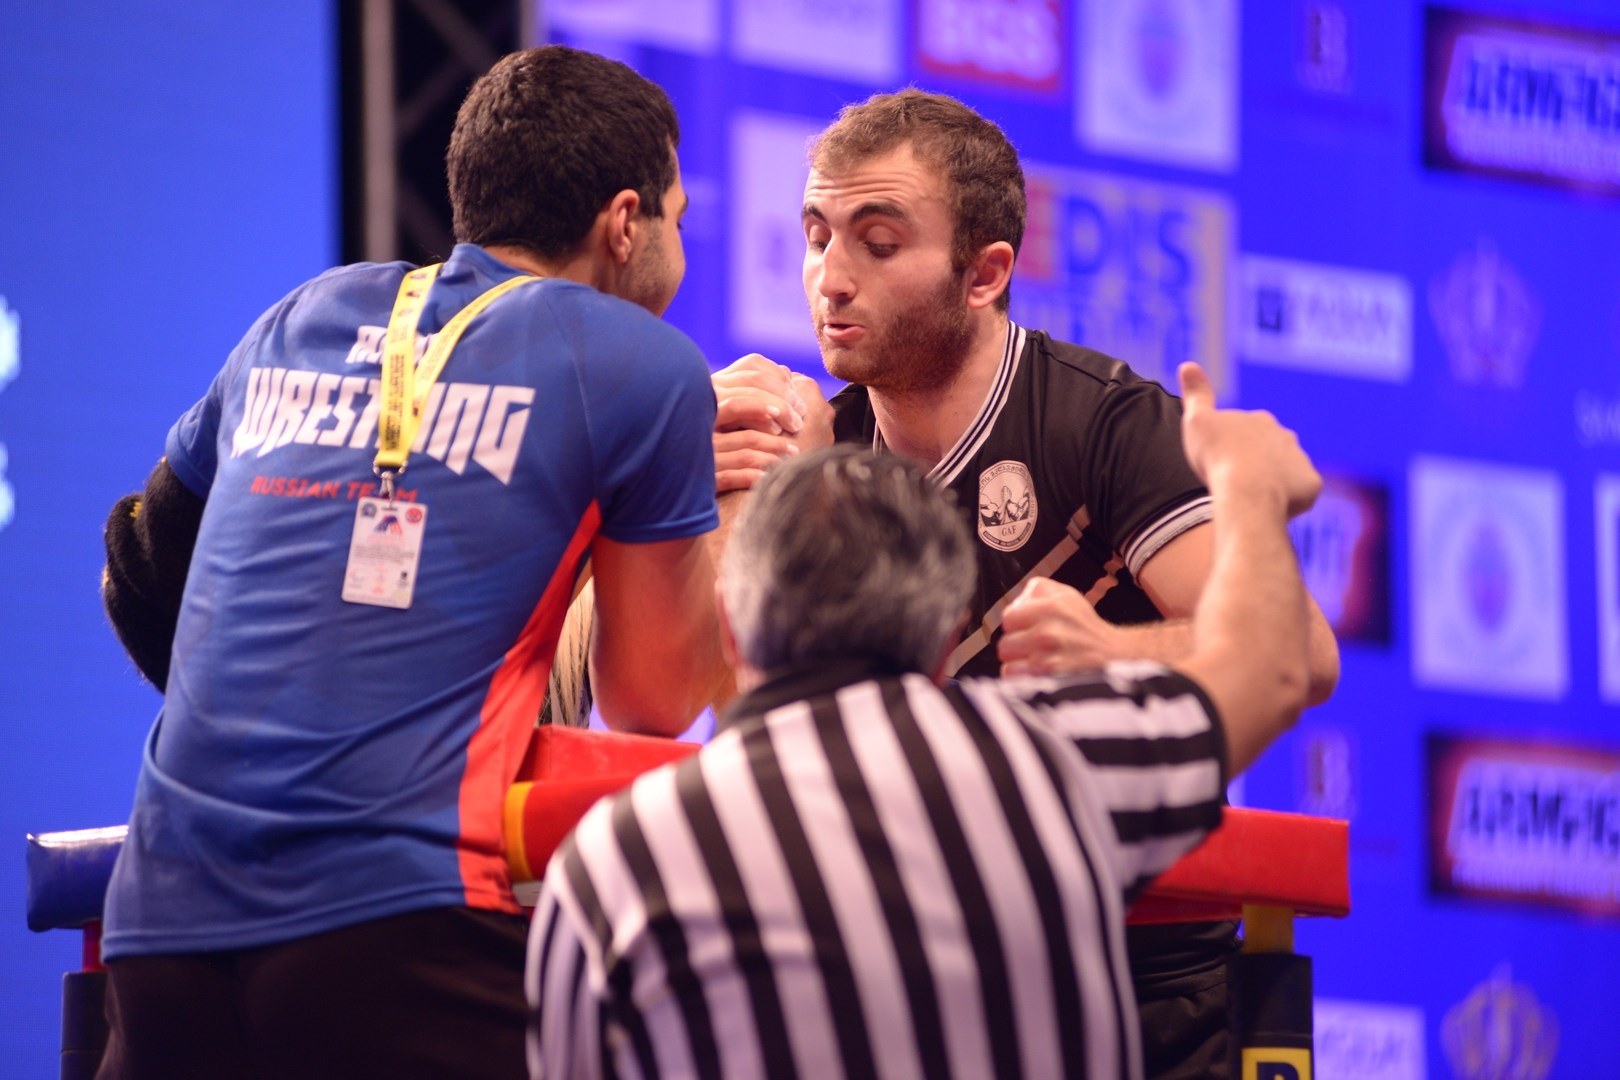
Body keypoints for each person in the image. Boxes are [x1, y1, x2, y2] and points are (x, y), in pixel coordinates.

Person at [96, 45, 723, 1079]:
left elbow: (139, 564)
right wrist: (742, 504)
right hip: (395, 924)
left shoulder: (297, 317)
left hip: (159, 924)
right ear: (624, 223)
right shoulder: (644, 360)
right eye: (680, 220)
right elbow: (654, 698)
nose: (680, 251)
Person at [705, 89, 1340, 1078]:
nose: (830, 278)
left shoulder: (1101, 423)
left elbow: (1300, 652)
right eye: (817, 235)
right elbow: (727, 711)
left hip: (1138, 962)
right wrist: (748, 506)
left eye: (877, 242)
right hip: (911, 952)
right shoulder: (819, 454)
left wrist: (1119, 652)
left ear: (985, 273)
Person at [527, 365, 1323, 1080]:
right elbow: (1277, 663)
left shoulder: (614, 865)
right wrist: (1248, 487)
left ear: (730, 629)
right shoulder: (1052, 763)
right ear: (949, 635)